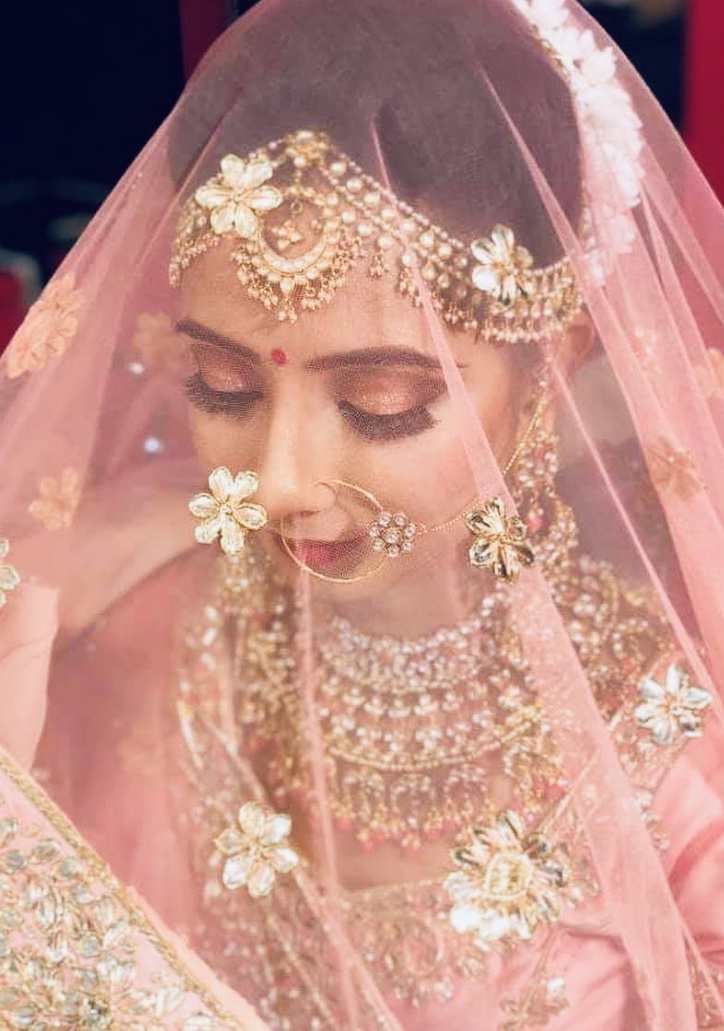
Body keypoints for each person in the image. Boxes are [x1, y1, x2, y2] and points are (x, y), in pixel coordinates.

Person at [0, 0, 723, 1027]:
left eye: (382, 404)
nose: (279, 482)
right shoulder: (138, 645)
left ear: (549, 364)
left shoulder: (668, 745)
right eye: (222, 387)